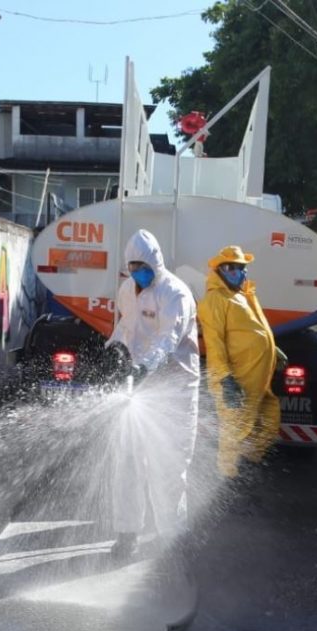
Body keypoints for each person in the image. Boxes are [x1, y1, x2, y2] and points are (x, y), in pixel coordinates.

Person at [106, 229, 200, 558]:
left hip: (174, 391)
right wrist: (113, 350)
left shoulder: (176, 294)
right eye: (132, 267)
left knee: (168, 469)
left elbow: (167, 340)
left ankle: (170, 544)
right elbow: (125, 326)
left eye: (142, 267)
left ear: (156, 263)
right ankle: (127, 535)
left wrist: (144, 367)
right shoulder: (127, 290)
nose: (137, 273)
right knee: (127, 463)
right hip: (138, 388)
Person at [197, 245, 287, 479]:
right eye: (231, 268)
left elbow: (252, 328)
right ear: (219, 271)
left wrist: (272, 348)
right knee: (234, 429)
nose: (238, 272)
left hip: (258, 376)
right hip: (237, 377)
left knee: (269, 420)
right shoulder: (215, 299)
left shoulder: (243, 295)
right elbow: (214, 343)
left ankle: (248, 461)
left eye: (241, 268)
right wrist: (225, 378)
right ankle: (227, 477)